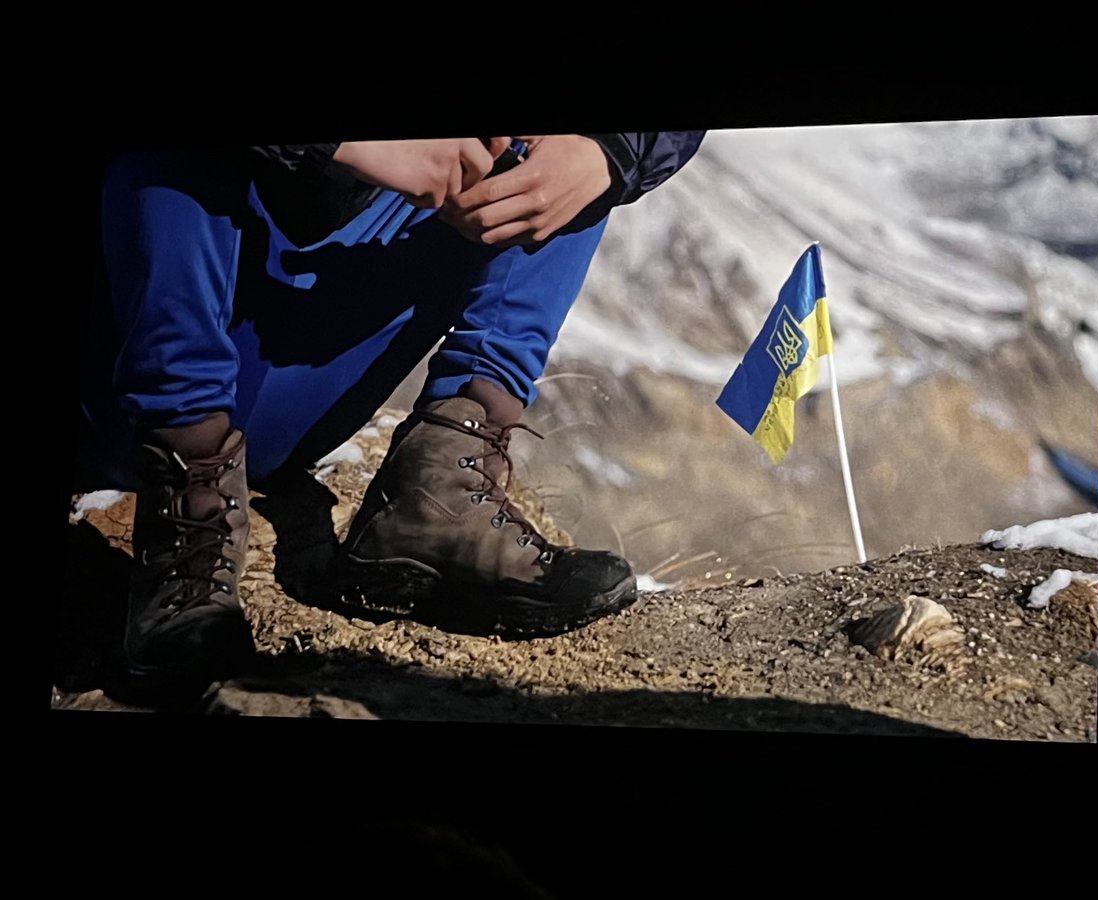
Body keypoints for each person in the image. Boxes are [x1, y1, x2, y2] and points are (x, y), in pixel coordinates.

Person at [77, 132, 706, 692]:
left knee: (555, 160)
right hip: (117, 376)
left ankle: (436, 494)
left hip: (289, 371)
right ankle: (186, 518)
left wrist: (609, 151)